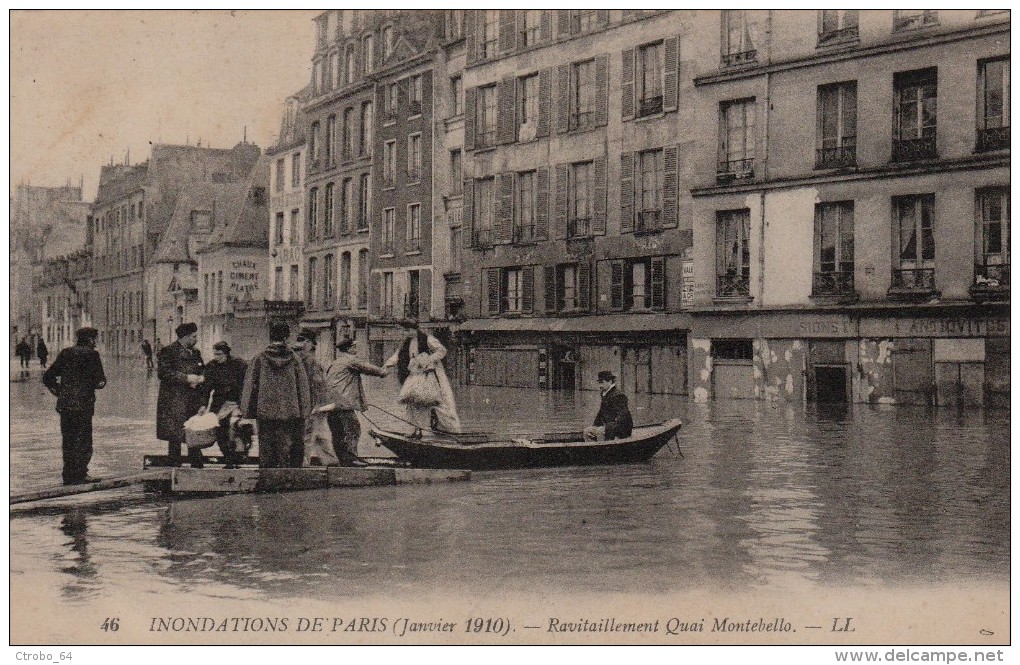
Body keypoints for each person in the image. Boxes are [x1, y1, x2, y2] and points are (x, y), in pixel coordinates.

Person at [240, 322, 311, 468]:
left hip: (265, 411)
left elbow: (249, 386)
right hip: (290, 411)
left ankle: (266, 478)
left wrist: (247, 411)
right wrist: (304, 410)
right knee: (285, 445)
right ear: (286, 337)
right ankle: (284, 478)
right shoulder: (295, 359)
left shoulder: (259, 357)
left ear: (270, 337)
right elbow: (302, 386)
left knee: (265, 446)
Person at [42, 327, 107, 485]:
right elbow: (100, 381)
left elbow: (48, 377)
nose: (95, 342)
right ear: (90, 340)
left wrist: (59, 391)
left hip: (66, 405)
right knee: (84, 440)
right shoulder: (92, 355)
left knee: (68, 440)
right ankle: (81, 474)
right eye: (94, 339)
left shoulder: (65, 353)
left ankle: (68, 475)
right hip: (83, 405)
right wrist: (96, 384)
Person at [384, 319, 461, 434]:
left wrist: (428, 359)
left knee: (439, 402)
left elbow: (442, 351)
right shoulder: (406, 342)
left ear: (412, 329)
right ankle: (414, 430)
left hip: (431, 375)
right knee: (413, 402)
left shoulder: (428, 339)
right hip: (415, 376)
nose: (404, 334)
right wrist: (386, 365)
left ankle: (449, 430)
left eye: (405, 331)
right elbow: (397, 356)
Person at [325, 337, 389, 465]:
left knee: (338, 433)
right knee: (353, 429)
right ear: (349, 349)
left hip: (331, 404)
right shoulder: (351, 360)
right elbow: (370, 369)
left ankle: (342, 459)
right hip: (343, 404)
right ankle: (351, 459)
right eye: (354, 347)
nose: (356, 349)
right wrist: (383, 371)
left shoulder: (335, 362)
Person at [156, 322, 206, 467]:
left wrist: (201, 377)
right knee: (175, 437)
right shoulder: (168, 351)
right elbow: (164, 373)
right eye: (194, 336)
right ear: (185, 337)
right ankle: (174, 468)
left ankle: (197, 467)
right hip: (174, 400)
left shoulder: (195, 352)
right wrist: (186, 378)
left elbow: (201, 368)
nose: (196, 339)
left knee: (194, 431)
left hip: (192, 399)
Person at [203, 341, 249, 467]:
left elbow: (246, 385)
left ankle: (239, 456)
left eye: (219, 354)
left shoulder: (239, 364)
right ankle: (228, 457)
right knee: (220, 432)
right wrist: (203, 405)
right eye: (215, 354)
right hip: (219, 403)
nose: (216, 357)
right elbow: (206, 389)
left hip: (237, 402)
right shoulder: (211, 366)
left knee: (239, 429)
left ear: (226, 353)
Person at [294, 329, 336, 466]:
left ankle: (307, 464)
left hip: (313, 407)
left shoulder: (310, 363)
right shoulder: (302, 362)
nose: (302, 345)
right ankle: (330, 464)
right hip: (312, 407)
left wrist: (319, 406)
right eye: (300, 340)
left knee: (312, 437)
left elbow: (318, 386)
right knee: (318, 437)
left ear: (312, 344)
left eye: (305, 341)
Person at [584, 371, 634, 441]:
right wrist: (595, 425)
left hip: (622, 428)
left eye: (602, 382)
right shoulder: (604, 393)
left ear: (610, 381)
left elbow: (622, 416)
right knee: (587, 431)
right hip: (610, 426)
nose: (600, 385)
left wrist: (606, 428)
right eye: (599, 383)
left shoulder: (619, 395)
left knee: (599, 432)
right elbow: (601, 412)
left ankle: (603, 450)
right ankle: (593, 449)